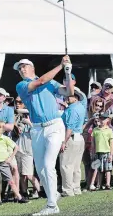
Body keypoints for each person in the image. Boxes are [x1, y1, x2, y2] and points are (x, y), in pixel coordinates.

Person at [14, 56, 73, 215]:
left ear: (32, 67)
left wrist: (68, 73)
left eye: (24, 66)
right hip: (37, 129)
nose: (21, 70)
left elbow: (69, 92)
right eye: (19, 68)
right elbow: (40, 81)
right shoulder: (21, 85)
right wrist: (61, 66)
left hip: (54, 125)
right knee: (40, 170)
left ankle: (52, 205)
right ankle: (54, 195)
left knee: (48, 165)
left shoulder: (51, 82)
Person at [0, 122, 29, 206]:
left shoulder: (5, 139)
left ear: (3, 130)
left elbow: (16, 147)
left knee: (11, 181)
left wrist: (10, 158)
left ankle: (19, 197)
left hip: (3, 163)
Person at [60, 88, 86, 197]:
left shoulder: (71, 110)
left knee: (66, 165)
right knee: (76, 166)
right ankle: (76, 188)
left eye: (69, 96)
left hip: (71, 137)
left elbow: (69, 128)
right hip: (79, 137)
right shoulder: (81, 106)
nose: (66, 97)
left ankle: (68, 190)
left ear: (75, 97)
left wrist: (63, 142)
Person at [13, 96, 40, 199]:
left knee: (28, 174)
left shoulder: (31, 115)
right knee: (21, 174)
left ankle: (40, 191)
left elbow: (36, 130)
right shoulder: (15, 116)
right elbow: (16, 131)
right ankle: (24, 193)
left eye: (20, 102)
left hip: (28, 149)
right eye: (16, 102)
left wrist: (29, 122)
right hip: (17, 149)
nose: (18, 103)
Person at [83, 97, 105, 188]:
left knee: (96, 164)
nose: (98, 108)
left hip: (97, 143)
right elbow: (82, 128)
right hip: (86, 141)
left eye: (100, 106)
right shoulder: (86, 114)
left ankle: (96, 183)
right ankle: (88, 184)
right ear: (93, 105)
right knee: (87, 164)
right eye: (97, 105)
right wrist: (91, 120)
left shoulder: (103, 116)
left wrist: (100, 121)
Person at [89, 112, 113, 190]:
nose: (102, 120)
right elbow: (93, 143)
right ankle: (99, 185)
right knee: (100, 169)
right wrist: (93, 153)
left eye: (104, 119)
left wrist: (111, 154)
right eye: (101, 118)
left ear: (107, 120)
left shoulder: (109, 130)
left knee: (108, 169)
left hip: (106, 152)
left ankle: (107, 184)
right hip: (98, 152)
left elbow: (111, 143)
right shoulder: (95, 130)